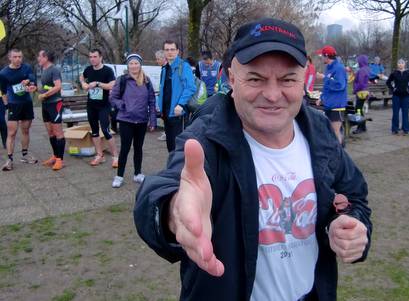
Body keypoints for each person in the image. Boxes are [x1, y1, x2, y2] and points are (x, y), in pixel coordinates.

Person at [134, 18, 372, 301]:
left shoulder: (319, 130)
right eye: (256, 79)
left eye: (287, 80)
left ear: (303, 79)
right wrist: (175, 214)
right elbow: (161, 191)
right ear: (231, 78)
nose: (272, 95)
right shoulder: (206, 137)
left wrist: (347, 223)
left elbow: (355, 196)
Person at [110, 54, 157, 188]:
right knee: (125, 149)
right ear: (128, 65)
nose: (134, 66)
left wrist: (152, 121)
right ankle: (119, 176)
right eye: (131, 63)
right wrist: (123, 105)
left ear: (140, 65)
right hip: (126, 120)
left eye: (136, 63)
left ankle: (137, 174)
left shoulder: (147, 81)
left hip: (141, 121)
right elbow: (113, 98)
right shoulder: (122, 80)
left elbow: (152, 102)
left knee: (138, 148)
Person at [80, 49, 119, 167]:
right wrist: (83, 84)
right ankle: (99, 155)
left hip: (104, 105)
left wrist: (97, 84)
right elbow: (81, 76)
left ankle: (115, 156)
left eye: (95, 56)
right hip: (91, 105)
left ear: (101, 57)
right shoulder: (88, 69)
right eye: (90, 57)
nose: (92, 59)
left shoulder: (107, 70)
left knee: (106, 130)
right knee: (94, 131)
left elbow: (113, 85)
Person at [1, 49, 38, 171]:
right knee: (12, 132)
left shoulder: (26, 67)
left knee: (25, 130)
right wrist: (7, 105)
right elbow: (3, 91)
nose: (18, 59)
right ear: (10, 58)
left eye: (20, 57)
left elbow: (32, 79)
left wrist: (29, 82)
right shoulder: (4, 73)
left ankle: (25, 155)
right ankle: (9, 159)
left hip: (26, 103)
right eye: (15, 57)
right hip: (13, 104)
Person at [156, 40, 196, 153]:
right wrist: (159, 105)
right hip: (166, 112)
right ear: (164, 52)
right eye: (167, 50)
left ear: (177, 51)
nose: (170, 52)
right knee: (170, 145)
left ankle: (179, 170)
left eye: (172, 49)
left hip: (178, 112)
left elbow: (190, 87)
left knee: (179, 146)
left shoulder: (184, 66)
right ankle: (173, 169)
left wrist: (181, 104)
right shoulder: (165, 69)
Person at [37, 50, 65, 170]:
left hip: (55, 104)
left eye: (39, 56)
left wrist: (45, 95)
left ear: (46, 57)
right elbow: (46, 88)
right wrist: (35, 89)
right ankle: (55, 156)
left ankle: (60, 160)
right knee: (50, 132)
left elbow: (58, 86)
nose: (38, 58)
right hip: (46, 105)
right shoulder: (43, 70)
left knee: (58, 132)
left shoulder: (54, 69)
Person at [315, 45, 348, 145]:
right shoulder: (328, 68)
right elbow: (327, 87)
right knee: (331, 131)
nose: (321, 58)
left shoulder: (339, 68)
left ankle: (339, 154)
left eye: (322, 56)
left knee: (335, 131)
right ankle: (336, 150)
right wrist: (321, 98)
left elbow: (340, 85)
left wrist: (324, 78)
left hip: (337, 105)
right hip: (329, 104)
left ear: (327, 56)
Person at [386, 58, 409, 135]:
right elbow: (388, 82)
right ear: (397, 64)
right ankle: (395, 128)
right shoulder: (394, 73)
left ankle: (406, 129)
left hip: (406, 96)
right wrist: (393, 89)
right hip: (396, 96)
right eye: (399, 63)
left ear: (404, 64)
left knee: (405, 113)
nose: (400, 64)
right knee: (395, 113)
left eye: (402, 63)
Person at [352, 55, 370, 134]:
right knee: (360, 109)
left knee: (358, 110)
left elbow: (360, 83)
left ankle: (360, 127)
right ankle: (363, 126)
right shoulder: (366, 69)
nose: (357, 62)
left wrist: (355, 90)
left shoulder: (362, 70)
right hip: (364, 92)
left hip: (360, 93)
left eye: (358, 61)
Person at [155, 50, 168, 142]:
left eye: (158, 59)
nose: (157, 61)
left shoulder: (166, 69)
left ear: (164, 58)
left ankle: (167, 133)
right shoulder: (163, 69)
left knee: (165, 116)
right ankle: (166, 132)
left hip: (165, 99)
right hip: (162, 97)